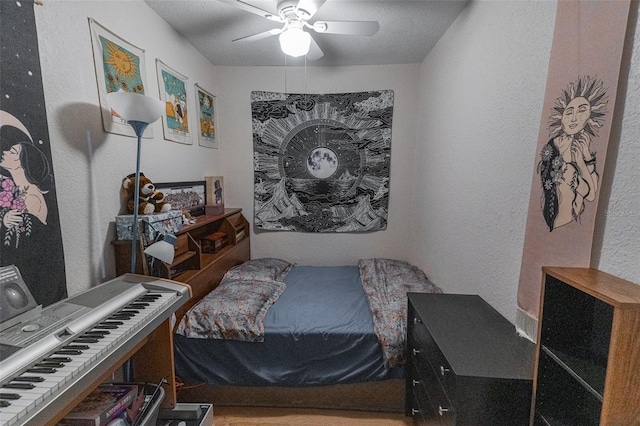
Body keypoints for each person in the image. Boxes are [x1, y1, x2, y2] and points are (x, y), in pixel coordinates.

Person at [538, 76, 606, 231]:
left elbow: (591, 194)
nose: (574, 118)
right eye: (569, 112)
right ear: (561, 119)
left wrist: (586, 156)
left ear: (589, 116)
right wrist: (583, 162)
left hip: (569, 221)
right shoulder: (554, 146)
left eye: (582, 110)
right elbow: (587, 192)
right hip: (559, 219)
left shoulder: (582, 145)